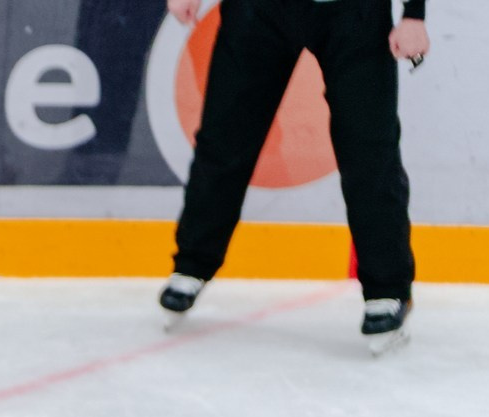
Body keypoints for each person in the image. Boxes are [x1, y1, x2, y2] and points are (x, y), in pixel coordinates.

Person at [158, 0, 431, 351]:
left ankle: (388, 290)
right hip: (258, 11)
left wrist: (414, 14)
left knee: (369, 152)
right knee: (224, 139)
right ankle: (191, 265)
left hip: (354, 14)